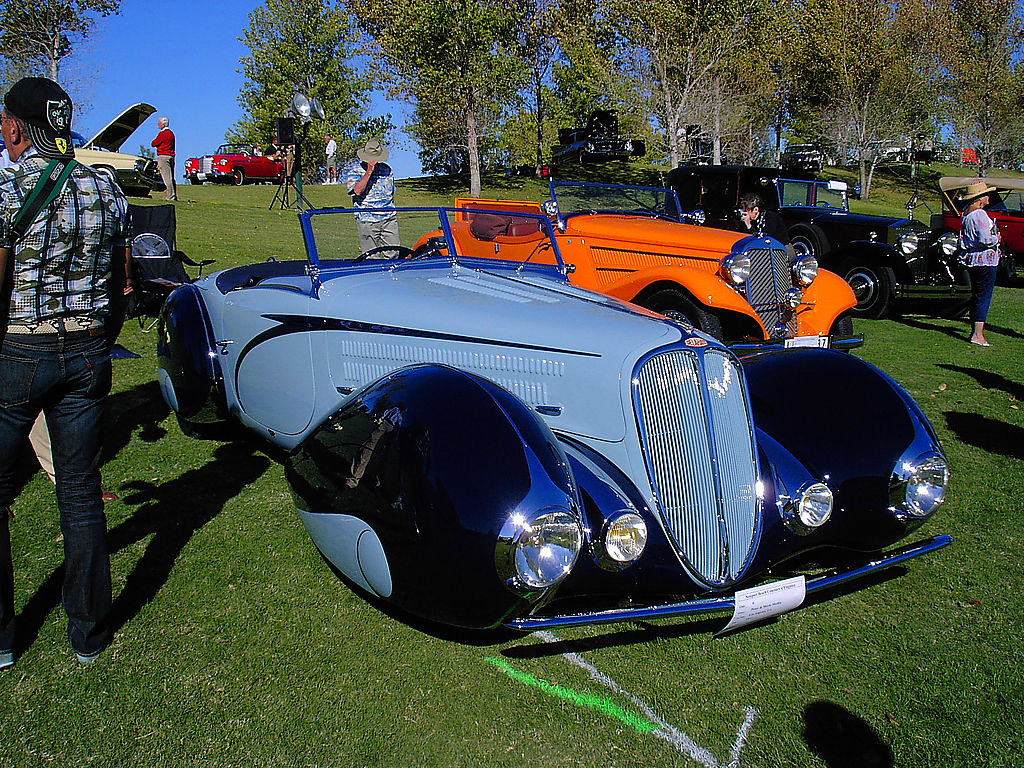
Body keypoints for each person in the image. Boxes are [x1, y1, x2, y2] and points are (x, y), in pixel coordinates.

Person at [0, 77, 130, 669]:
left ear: (20, 126)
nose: (2, 132)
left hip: (21, 350)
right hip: (87, 353)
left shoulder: (10, 187)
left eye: (4, 122)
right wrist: (102, 337)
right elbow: (121, 280)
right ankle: (89, 632)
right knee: (80, 495)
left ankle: (4, 636)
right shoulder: (107, 187)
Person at [957, 181, 1001, 346]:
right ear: (980, 198)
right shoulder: (980, 214)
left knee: (977, 296)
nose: (989, 198)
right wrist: (998, 238)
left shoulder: (966, 213)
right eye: (986, 194)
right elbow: (985, 239)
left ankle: (976, 331)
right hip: (985, 261)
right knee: (983, 297)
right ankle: (978, 334)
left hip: (971, 259)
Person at [345, 139, 399, 253]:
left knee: (394, 253)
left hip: (389, 218)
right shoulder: (355, 171)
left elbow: (392, 192)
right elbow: (357, 191)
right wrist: (369, 172)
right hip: (367, 219)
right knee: (371, 256)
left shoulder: (387, 169)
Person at [151, 116, 177, 201]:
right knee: (171, 177)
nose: (158, 124)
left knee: (167, 178)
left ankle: (170, 196)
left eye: (159, 123)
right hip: (171, 156)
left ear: (163, 124)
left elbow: (155, 143)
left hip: (163, 156)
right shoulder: (171, 133)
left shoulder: (163, 134)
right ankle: (174, 195)